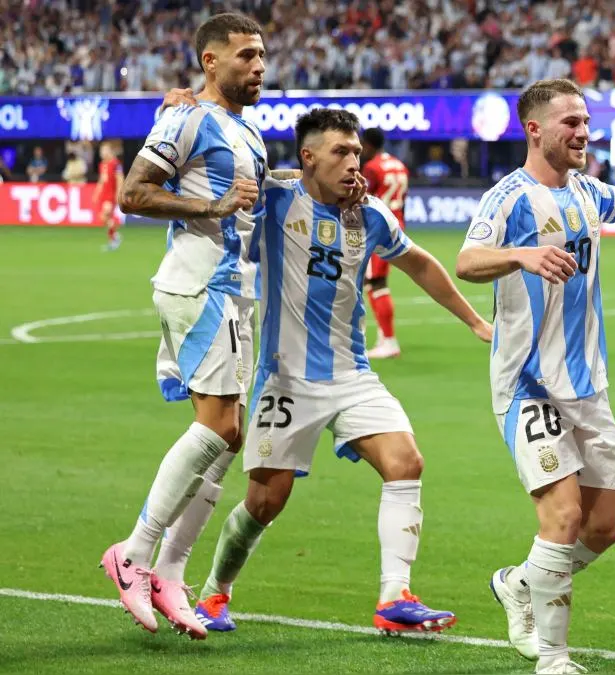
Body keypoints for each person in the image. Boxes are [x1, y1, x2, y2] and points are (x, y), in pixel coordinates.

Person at [455, 78, 615, 675]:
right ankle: (553, 657)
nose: (582, 132)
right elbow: (467, 261)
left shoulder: (585, 191)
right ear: (535, 130)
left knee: (603, 527)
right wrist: (521, 255)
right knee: (564, 517)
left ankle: (520, 582)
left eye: (584, 121)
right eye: (570, 123)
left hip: (588, 387)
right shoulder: (509, 197)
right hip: (528, 385)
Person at [191, 108, 491, 635]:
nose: (355, 162)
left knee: (406, 462)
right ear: (308, 157)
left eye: (357, 152)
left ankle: (394, 598)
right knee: (266, 500)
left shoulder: (371, 214)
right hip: (285, 378)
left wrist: (474, 322)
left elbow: (418, 262)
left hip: (353, 373)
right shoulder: (276, 202)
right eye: (341, 152)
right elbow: (236, 181)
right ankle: (215, 592)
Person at [101, 13, 290, 640]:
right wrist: (209, 204)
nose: (259, 66)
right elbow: (134, 193)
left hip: (235, 295)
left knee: (230, 436)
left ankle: (171, 572)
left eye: (262, 55)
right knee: (216, 428)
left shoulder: (248, 134)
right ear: (211, 62)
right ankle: (134, 553)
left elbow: (253, 198)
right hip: (197, 286)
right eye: (245, 56)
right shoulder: (186, 118)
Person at [359, 127, 410, 359]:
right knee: (376, 281)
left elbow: (362, 197)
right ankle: (384, 336)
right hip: (397, 224)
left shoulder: (371, 168)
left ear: (368, 144)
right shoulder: (399, 164)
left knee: (376, 282)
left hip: (378, 228)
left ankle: (389, 341)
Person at [95, 142, 125, 251]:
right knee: (104, 218)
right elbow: (102, 180)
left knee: (105, 215)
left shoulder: (116, 164)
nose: (102, 153)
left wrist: (118, 193)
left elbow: (120, 179)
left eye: (104, 150)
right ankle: (114, 237)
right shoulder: (102, 164)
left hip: (111, 195)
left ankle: (114, 239)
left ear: (110, 151)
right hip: (104, 194)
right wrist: (97, 193)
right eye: (101, 151)